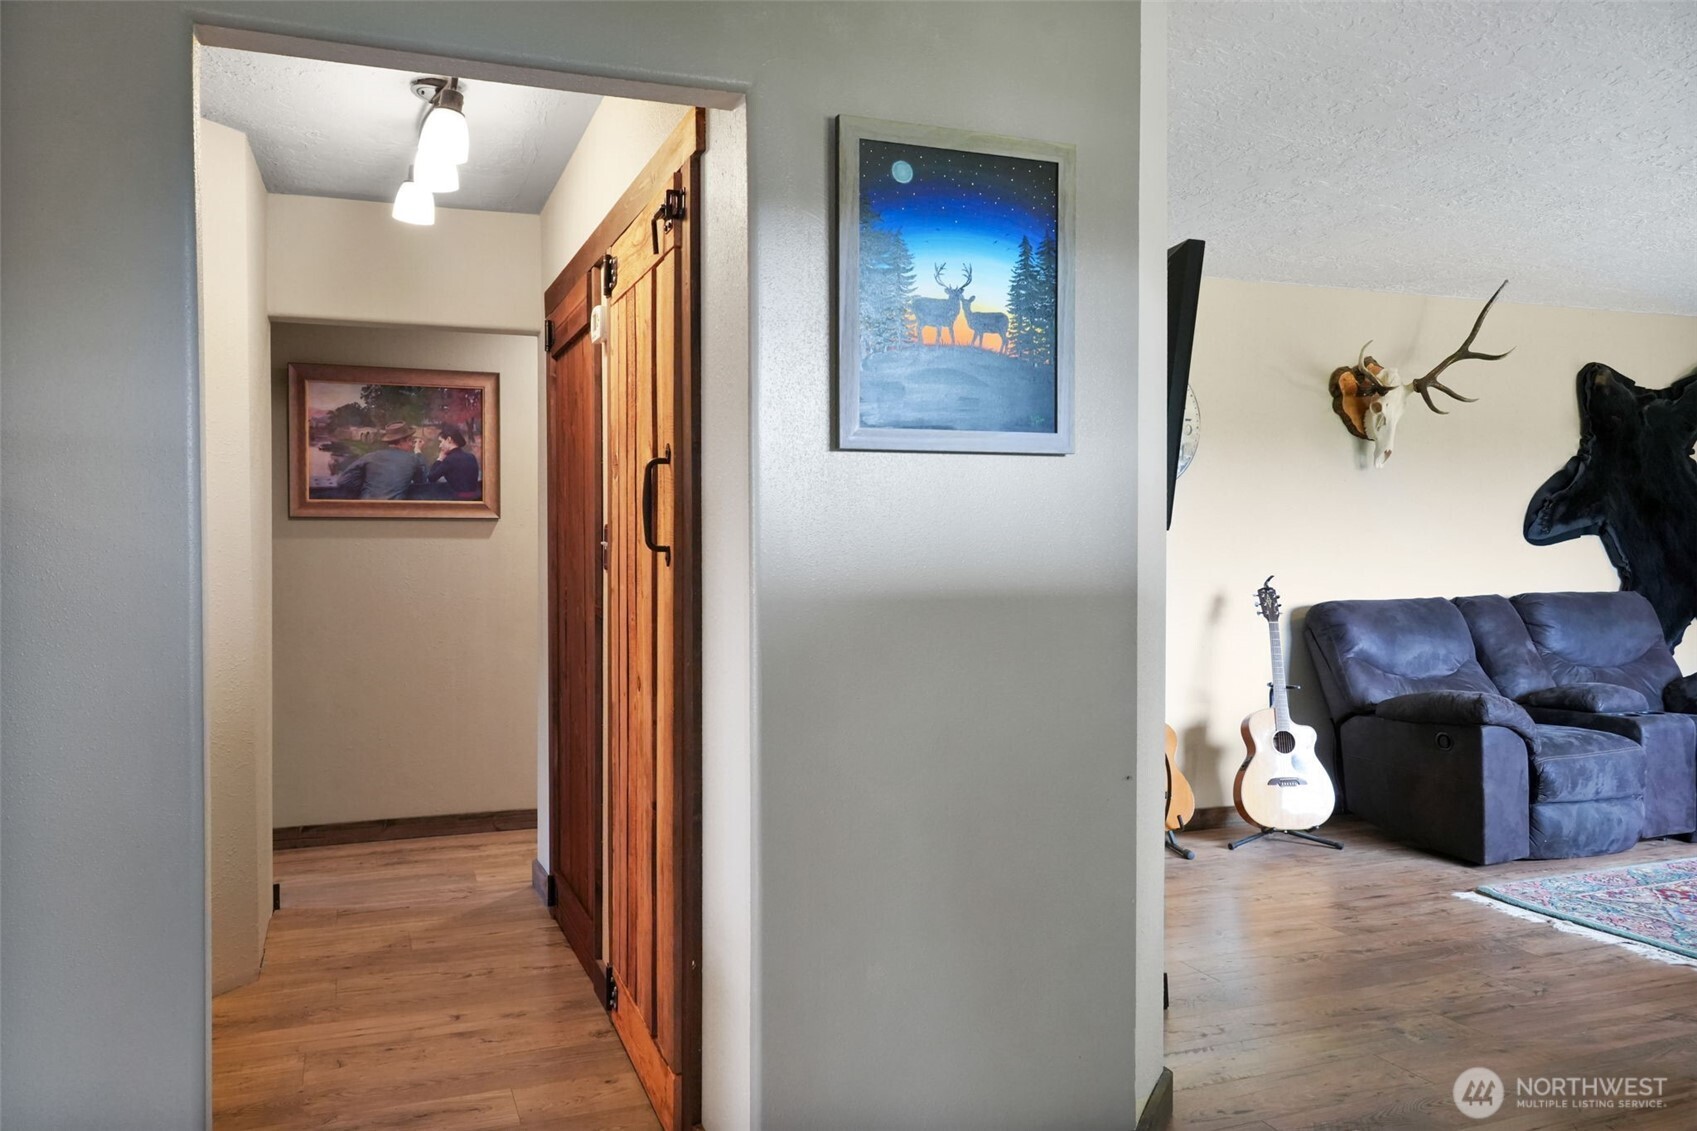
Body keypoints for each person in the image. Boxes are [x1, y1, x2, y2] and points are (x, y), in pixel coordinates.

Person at [335, 422, 424, 499]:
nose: (412, 445)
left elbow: (343, 481)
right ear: (402, 441)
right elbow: (422, 481)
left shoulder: (369, 456)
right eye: (410, 441)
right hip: (394, 511)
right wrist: (418, 451)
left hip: (366, 509)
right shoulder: (413, 459)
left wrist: (367, 490)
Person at [425, 424, 482, 500]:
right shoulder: (471, 457)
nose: (440, 445)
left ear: (449, 440)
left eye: (441, 441)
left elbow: (431, 478)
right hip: (476, 499)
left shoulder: (450, 460)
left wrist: (440, 458)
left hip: (459, 500)